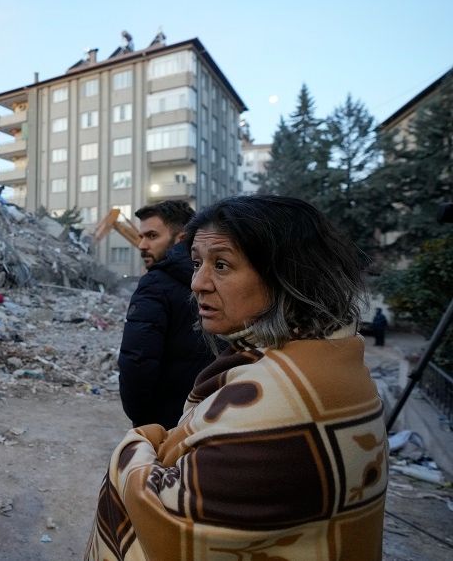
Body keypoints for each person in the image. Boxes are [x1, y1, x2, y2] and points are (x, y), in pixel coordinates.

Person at [87, 195, 387, 560]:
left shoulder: (279, 399)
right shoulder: (335, 357)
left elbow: (170, 517)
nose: (198, 283)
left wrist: (143, 437)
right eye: (197, 264)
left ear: (287, 274)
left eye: (222, 265)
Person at [118, 200, 213, 429]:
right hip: (209, 415)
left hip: (165, 422)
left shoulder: (155, 283)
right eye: (141, 236)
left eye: (151, 236)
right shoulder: (214, 278)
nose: (141, 245)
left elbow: (137, 361)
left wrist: (141, 419)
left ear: (180, 238)